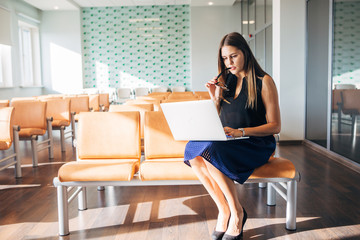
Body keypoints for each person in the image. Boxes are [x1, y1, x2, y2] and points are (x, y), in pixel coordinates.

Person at [184, 32, 281, 240]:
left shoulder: (264, 82)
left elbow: (275, 126)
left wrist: (242, 132)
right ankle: (224, 209)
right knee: (192, 150)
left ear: (245, 52)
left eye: (233, 56)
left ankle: (236, 213)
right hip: (232, 140)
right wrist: (214, 97)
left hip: (256, 143)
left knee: (210, 150)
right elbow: (220, 117)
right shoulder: (226, 81)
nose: (229, 63)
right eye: (225, 59)